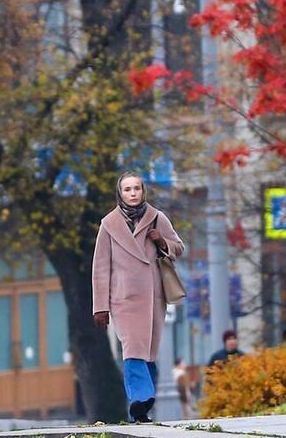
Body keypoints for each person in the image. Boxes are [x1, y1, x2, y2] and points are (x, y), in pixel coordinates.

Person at [92, 172, 185, 423]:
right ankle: (139, 399)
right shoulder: (108, 224)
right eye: (127, 189)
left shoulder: (157, 218)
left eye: (136, 188)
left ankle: (143, 406)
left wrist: (162, 241)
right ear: (119, 193)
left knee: (148, 352)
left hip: (153, 297)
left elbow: (178, 248)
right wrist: (100, 307)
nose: (132, 193)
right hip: (123, 298)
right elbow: (100, 268)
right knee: (132, 348)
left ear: (143, 191)